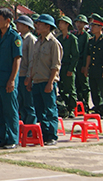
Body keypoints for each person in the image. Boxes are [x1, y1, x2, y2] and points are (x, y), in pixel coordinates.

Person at [0, 8, 22, 149]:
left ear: (8, 21)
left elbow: (17, 59)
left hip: (8, 79)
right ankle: (3, 137)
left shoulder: (14, 37)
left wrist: (12, 79)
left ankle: (13, 139)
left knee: (10, 110)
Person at [27, 14, 62, 145]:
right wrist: (30, 79)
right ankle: (44, 133)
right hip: (36, 80)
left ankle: (52, 135)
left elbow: (55, 66)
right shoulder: (37, 42)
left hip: (47, 81)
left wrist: (50, 82)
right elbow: (33, 63)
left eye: (40, 24)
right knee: (39, 109)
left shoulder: (53, 43)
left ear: (48, 26)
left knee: (50, 109)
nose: (37, 26)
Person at [84, 14, 103, 117]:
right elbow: (89, 55)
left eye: (94, 26)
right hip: (93, 69)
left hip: (102, 69)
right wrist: (87, 67)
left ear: (101, 27)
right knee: (94, 90)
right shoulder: (91, 41)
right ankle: (98, 108)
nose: (91, 28)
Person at [15, 15, 37, 124]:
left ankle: (31, 126)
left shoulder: (31, 39)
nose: (17, 25)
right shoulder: (19, 38)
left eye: (20, 23)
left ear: (26, 26)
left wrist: (29, 76)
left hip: (26, 75)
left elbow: (32, 60)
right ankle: (24, 125)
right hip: (19, 75)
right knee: (21, 103)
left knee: (29, 103)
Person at [56, 16, 78, 118]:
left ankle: (72, 108)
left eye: (62, 23)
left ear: (67, 25)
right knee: (62, 88)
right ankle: (64, 108)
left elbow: (75, 55)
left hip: (68, 66)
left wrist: (71, 69)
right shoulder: (59, 38)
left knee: (70, 89)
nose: (60, 25)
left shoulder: (72, 39)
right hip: (61, 67)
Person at [73, 14, 92, 111]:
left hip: (82, 61)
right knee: (76, 84)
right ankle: (79, 103)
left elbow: (86, 52)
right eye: (77, 22)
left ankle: (85, 103)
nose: (78, 24)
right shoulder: (75, 35)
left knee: (84, 84)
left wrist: (85, 65)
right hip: (75, 62)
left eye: (81, 23)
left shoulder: (86, 36)